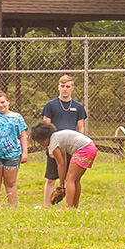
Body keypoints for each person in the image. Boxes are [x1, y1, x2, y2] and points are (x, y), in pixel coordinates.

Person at [40, 75, 88, 208]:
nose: (65, 89)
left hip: (71, 146)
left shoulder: (78, 107)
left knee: (71, 178)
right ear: (58, 87)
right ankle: (47, 206)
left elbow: (81, 128)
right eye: (62, 86)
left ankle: (71, 204)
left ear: (72, 88)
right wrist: (50, 146)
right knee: (51, 177)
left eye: (67, 86)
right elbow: (46, 126)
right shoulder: (51, 105)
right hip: (55, 145)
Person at [30, 121, 98, 208]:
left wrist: (61, 184)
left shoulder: (53, 143)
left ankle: (68, 206)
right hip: (91, 147)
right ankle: (74, 205)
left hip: (83, 149)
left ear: (43, 139)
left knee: (70, 179)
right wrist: (61, 184)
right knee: (75, 180)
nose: (41, 145)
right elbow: (64, 162)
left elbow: (61, 164)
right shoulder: (58, 136)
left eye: (40, 142)